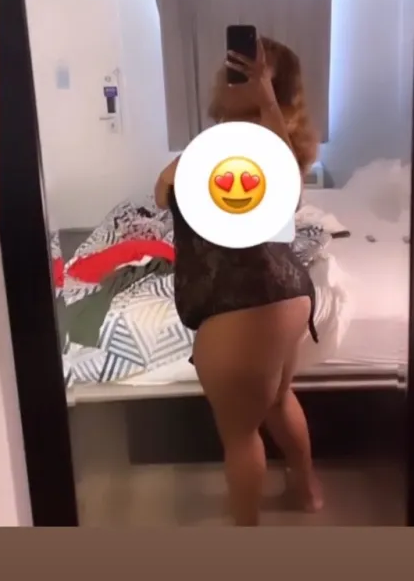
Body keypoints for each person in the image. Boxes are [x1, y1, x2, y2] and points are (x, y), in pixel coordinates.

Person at [154, 36, 322, 526]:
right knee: (278, 399)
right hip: (290, 294)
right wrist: (261, 102)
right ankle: (308, 493)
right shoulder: (260, 147)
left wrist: (255, 104)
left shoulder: (245, 151)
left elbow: (162, 193)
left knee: (240, 436)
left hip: (242, 304)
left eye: (237, 73)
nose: (224, 79)